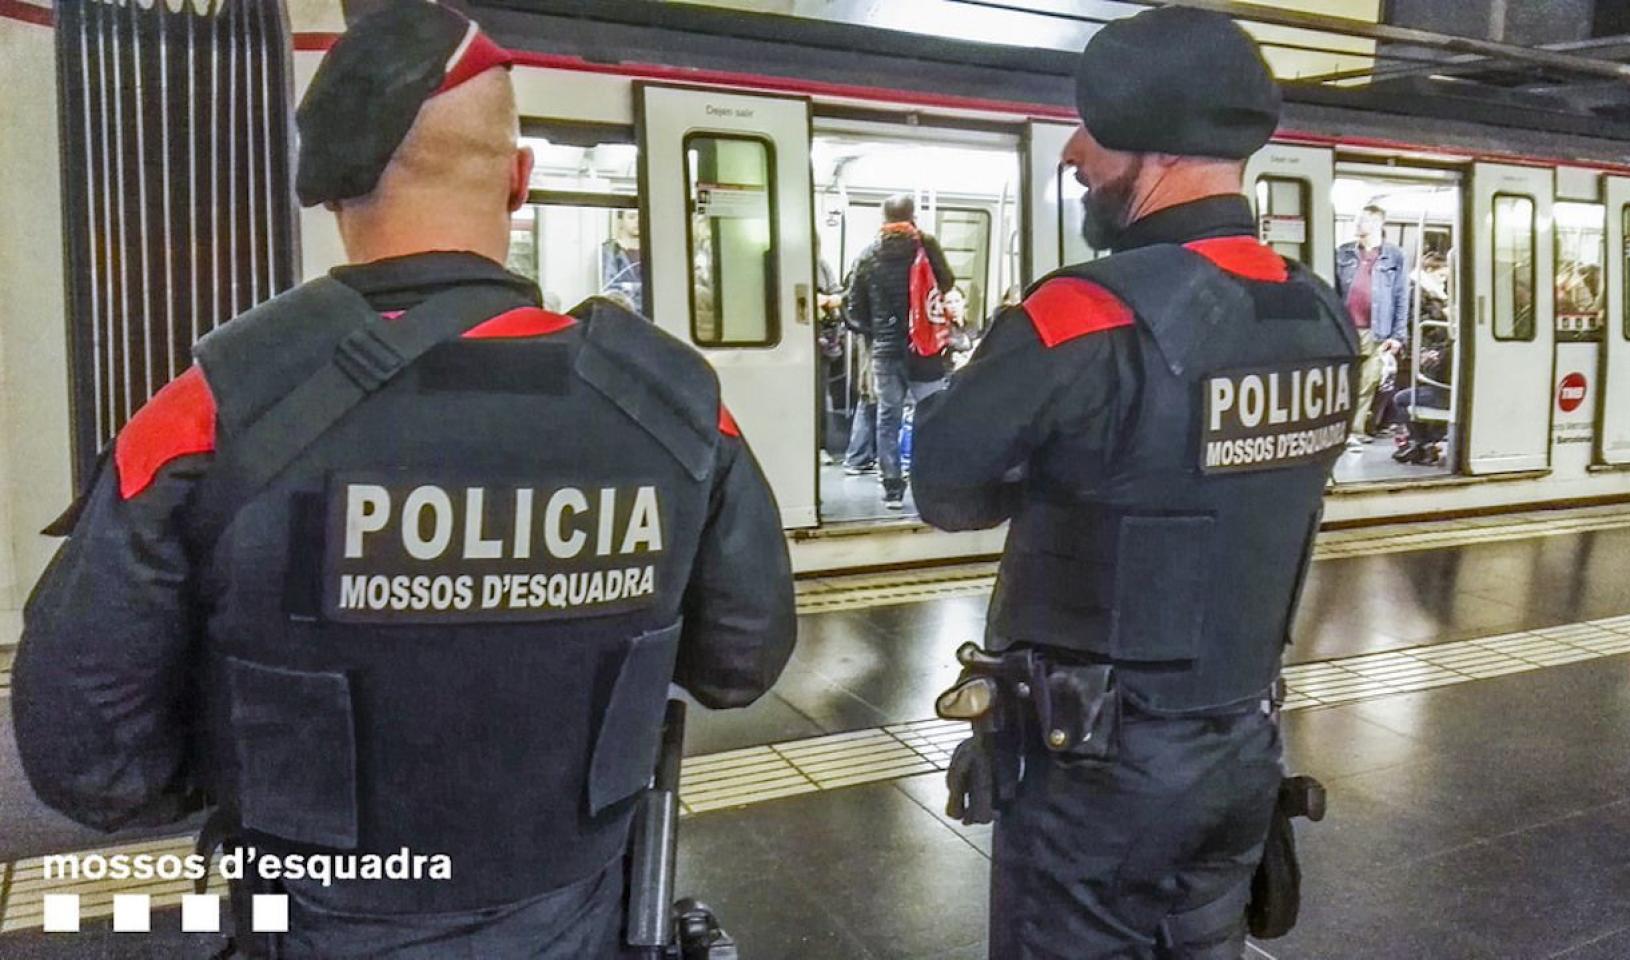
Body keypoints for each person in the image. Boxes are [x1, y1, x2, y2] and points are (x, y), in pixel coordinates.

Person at [10, 3, 796, 957]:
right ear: (519, 181)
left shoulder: (209, 411)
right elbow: (740, 661)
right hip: (583, 916)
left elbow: (91, 757)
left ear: (337, 193)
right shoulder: (677, 407)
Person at [912, 8, 1357, 958]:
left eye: (1094, 129)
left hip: (1097, 775)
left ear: (1151, 148)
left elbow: (945, 489)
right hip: (1241, 746)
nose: (1074, 151)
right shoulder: (1316, 314)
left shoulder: (1079, 315)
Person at [843, 194, 955, 508]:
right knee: (933, 414)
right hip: (924, 348)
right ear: (913, 216)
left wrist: (876, 333)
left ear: (883, 218)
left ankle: (892, 487)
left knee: (888, 416)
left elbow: (853, 309)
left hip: (886, 350)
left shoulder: (868, 255)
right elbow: (945, 282)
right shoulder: (926, 247)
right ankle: (933, 481)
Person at [1335, 204, 1408, 444]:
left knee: (1367, 382)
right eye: (1357, 220)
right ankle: (1343, 430)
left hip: (1376, 330)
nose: (1358, 225)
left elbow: (1400, 297)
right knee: (1346, 381)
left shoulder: (1394, 256)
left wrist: (1398, 335)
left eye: (1363, 220)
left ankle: (1355, 431)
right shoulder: (1343, 253)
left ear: (1378, 224)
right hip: (1347, 328)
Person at [600, 207, 644, 310]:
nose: (637, 221)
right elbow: (610, 287)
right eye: (631, 217)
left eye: (641, 217)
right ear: (621, 220)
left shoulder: (654, 250)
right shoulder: (610, 250)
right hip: (622, 311)